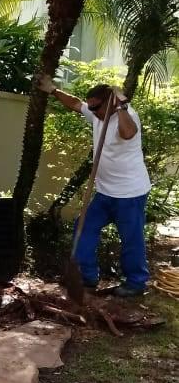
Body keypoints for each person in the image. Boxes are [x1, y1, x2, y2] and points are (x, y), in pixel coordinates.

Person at [37, 75, 151, 297]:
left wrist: (122, 107)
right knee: (85, 225)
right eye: (92, 107)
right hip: (105, 192)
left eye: (96, 107)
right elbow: (75, 103)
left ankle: (136, 282)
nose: (92, 111)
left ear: (110, 102)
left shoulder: (127, 117)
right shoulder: (98, 114)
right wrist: (52, 89)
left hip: (130, 193)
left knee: (131, 238)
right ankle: (86, 276)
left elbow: (128, 134)